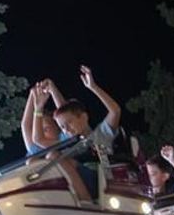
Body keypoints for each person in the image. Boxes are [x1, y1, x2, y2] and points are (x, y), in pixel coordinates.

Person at [48, 65, 122, 202]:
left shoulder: (100, 135)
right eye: (62, 127)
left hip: (101, 181)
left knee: (53, 155)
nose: (66, 130)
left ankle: (86, 202)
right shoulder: (68, 140)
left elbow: (115, 111)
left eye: (69, 123)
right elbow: (64, 112)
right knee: (35, 161)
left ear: (83, 117)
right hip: (73, 184)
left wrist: (93, 87)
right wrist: (51, 90)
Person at [19, 82, 61, 154]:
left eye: (46, 129)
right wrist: (33, 93)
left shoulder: (65, 138)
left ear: (58, 127)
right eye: (37, 129)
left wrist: (52, 89)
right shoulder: (37, 149)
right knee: (31, 161)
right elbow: (25, 125)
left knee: (52, 154)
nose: (40, 132)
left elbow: (64, 112)